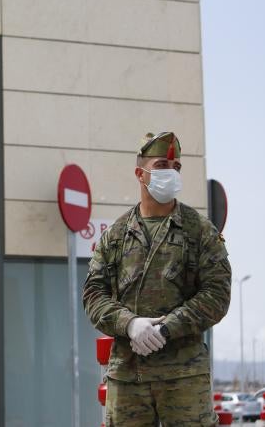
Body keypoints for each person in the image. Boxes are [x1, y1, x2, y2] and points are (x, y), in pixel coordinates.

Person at [83, 132, 232, 426]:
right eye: (162, 164)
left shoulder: (199, 231)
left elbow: (217, 294)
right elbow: (93, 294)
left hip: (185, 376)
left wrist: (166, 329)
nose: (171, 173)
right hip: (128, 376)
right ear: (141, 173)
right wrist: (130, 323)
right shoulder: (115, 236)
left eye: (176, 167)